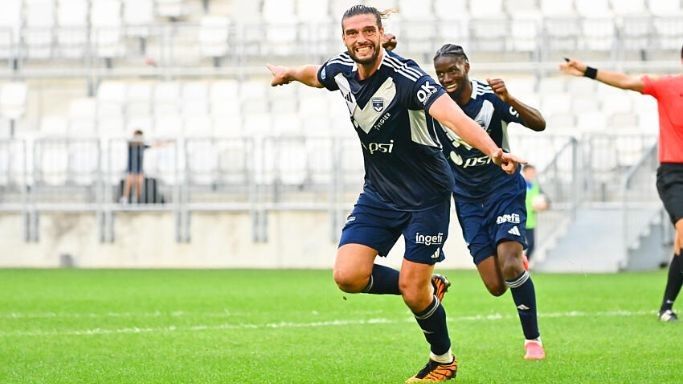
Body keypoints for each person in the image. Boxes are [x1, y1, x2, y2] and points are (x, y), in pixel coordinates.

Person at [267, 5, 523, 382]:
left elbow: (453, 116)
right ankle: (426, 287)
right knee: (348, 276)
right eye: (352, 33)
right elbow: (315, 74)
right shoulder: (340, 69)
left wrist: (494, 151)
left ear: (381, 32)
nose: (360, 39)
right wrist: (290, 73)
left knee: (412, 292)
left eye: (368, 31)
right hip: (379, 193)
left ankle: (442, 361)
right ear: (344, 39)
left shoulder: (408, 77)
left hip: (427, 196)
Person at [428, 43, 547, 360]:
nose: (446, 78)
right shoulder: (435, 105)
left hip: (502, 190)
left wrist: (510, 99)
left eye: (452, 70)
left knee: (510, 264)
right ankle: (515, 273)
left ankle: (532, 341)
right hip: (466, 198)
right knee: (496, 286)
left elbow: (539, 123)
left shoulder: (490, 98)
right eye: (440, 73)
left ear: (466, 66)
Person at [561, 49, 683, 323]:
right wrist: (588, 70)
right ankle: (666, 307)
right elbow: (626, 81)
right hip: (674, 175)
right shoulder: (667, 86)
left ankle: (666, 306)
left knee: (681, 244)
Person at [522, 164, 549, 260]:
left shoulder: (536, 187)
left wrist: (543, 206)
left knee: (531, 245)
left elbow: (547, 203)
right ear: (524, 172)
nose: (531, 174)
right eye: (529, 172)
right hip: (518, 221)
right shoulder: (519, 185)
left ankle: (524, 264)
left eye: (533, 172)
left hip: (530, 222)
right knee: (517, 246)